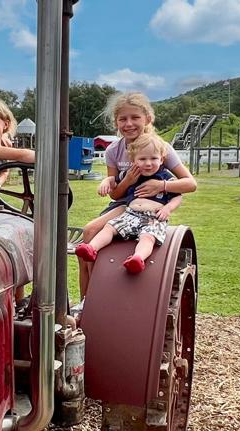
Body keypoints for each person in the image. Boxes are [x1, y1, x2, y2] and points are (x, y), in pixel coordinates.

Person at [76, 93, 196, 302]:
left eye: (135, 118)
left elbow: (190, 184)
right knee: (89, 232)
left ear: (148, 119)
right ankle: (87, 296)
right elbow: (115, 193)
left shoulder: (160, 148)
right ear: (116, 123)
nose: (128, 124)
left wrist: (162, 185)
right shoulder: (114, 149)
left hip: (150, 204)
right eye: (123, 119)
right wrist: (127, 181)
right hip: (125, 202)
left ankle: (96, 295)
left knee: (92, 230)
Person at [74, 133, 180, 274]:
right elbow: (113, 179)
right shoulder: (133, 172)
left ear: (161, 159)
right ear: (133, 160)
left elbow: (177, 197)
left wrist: (168, 208)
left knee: (147, 238)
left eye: (153, 158)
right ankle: (92, 248)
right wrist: (105, 182)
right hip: (130, 214)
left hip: (153, 218)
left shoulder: (166, 177)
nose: (148, 163)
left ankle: (138, 258)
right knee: (109, 228)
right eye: (142, 159)